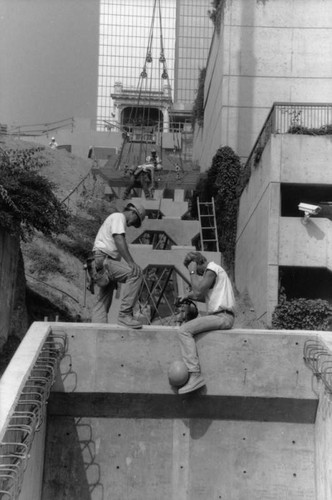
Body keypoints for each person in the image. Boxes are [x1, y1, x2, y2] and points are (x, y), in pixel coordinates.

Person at [176, 251, 235, 394]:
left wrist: (191, 271)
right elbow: (203, 296)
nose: (199, 275)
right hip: (222, 316)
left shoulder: (212, 269)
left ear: (197, 263)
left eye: (196, 270)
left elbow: (197, 291)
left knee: (184, 330)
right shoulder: (214, 273)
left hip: (222, 316)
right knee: (188, 329)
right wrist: (186, 296)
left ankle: (195, 374)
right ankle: (194, 374)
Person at [91, 201, 146, 329]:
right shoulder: (118, 217)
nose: (132, 224)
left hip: (100, 262)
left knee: (103, 301)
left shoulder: (116, 219)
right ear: (133, 212)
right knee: (136, 274)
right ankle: (124, 315)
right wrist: (131, 263)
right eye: (135, 220)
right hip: (104, 260)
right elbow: (119, 240)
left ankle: (97, 330)